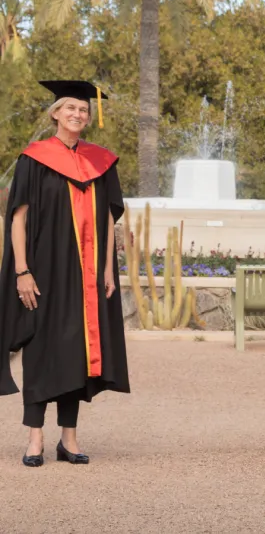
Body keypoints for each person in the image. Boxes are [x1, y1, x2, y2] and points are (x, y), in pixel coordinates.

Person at [0, 80, 130, 467]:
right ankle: (35, 438)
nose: (78, 114)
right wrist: (22, 270)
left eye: (84, 110)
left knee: (77, 351)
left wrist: (107, 268)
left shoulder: (101, 161)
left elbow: (108, 218)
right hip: (42, 269)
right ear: (55, 113)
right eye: (70, 108)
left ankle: (69, 440)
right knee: (40, 348)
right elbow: (17, 219)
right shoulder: (34, 158)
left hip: (86, 274)